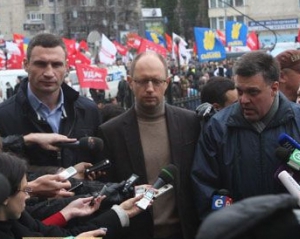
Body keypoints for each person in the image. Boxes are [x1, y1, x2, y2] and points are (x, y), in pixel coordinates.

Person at [98, 51, 200, 239]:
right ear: (130, 82)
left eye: (156, 81)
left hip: (184, 232)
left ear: (167, 82)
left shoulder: (190, 122)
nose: (150, 88)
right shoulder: (111, 132)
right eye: (143, 81)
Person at [191, 51, 300, 223]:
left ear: (274, 88)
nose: (243, 100)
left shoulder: (297, 122)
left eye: (253, 92)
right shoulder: (217, 128)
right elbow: (204, 185)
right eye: (240, 91)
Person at [0, 33, 102, 177]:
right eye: (41, 64)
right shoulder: (4, 115)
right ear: (26, 65)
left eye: (56, 65)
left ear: (66, 67)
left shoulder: (89, 110)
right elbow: (6, 181)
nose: (49, 73)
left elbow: (100, 167)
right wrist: (61, 175)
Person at [0, 152, 148, 239]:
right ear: (5, 195)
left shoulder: (18, 220)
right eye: (26, 190)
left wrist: (120, 213)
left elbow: (55, 234)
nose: (29, 196)